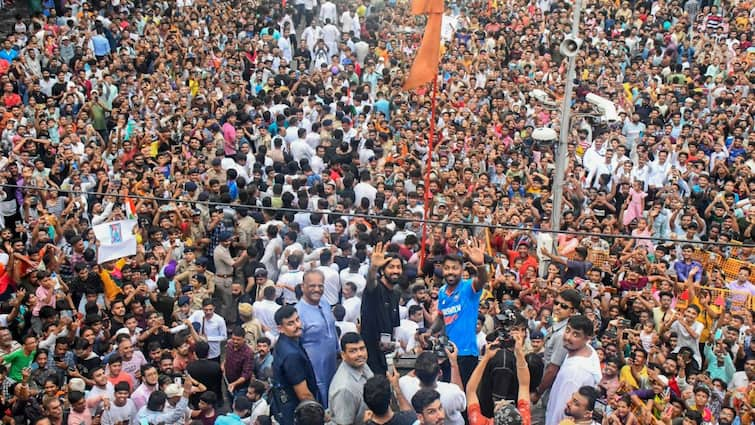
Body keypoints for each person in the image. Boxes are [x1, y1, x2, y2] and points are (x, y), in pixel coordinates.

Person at [434, 239, 488, 385]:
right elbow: (441, 318)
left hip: (465, 354)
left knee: (462, 400)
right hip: (446, 354)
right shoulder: (442, 292)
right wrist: (429, 332)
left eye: (455, 268)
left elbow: (482, 280)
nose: (450, 271)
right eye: (447, 268)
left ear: (462, 270)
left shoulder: (468, 287)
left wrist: (481, 265)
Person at [466, 329, 532, 425]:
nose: (503, 402)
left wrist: (486, 358)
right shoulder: (524, 421)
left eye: (501, 406)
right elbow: (524, 384)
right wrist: (519, 352)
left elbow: (470, 390)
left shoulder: (481, 422)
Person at [545, 316, 602, 425]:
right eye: (567, 330)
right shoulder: (585, 349)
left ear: (587, 338)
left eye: (576, 334)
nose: (568, 337)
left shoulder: (575, 372)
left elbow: (563, 410)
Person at [270, 305, 319, 425]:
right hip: (297, 410)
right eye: (290, 323)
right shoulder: (291, 355)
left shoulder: (286, 341)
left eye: (297, 320)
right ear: (280, 328)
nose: (297, 325)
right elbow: (304, 394)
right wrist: (318, 415)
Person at [296, 269, 338, 406]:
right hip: (314, 373)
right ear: (303, 287)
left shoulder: (325, 303)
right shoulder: (297, 313)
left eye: (320, 286)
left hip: (332, 367)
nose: (317, 289)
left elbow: (332, 329)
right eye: (312, 286)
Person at [361, 242, 402, 375]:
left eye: (398, 267)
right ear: (382, 270)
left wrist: (395, 347)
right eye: (391, 267)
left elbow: (394, 326)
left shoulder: (396, 294)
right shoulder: (375, 289)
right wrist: (373, 267)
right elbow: (371, 282)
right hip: (369, 358)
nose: (395, 270)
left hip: (386, 357)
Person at [398, 350, 465, 425]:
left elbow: (408, 376)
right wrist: (453, 363)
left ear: (415, 373)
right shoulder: (452, 392)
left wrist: (423, 364)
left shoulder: (404, 384)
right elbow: (462, 401)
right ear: (440, 372)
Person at [328, 332, 373, 425]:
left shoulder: (362, 364)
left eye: (362, 348)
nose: (360, 354)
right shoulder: (344, 389)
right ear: (343, 355)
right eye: (353, 351)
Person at [225, 326, 255, 400]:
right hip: (228, 382)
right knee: (230, 401)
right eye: (233, 339)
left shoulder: (248, 353)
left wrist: (234, 384)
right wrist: (224, 365)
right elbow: (227, 358)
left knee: (238, 406)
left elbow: (246, 374)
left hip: (241, 388)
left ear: (244, 339)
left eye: (238, 340)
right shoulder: (229, 345)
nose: (235, 341)